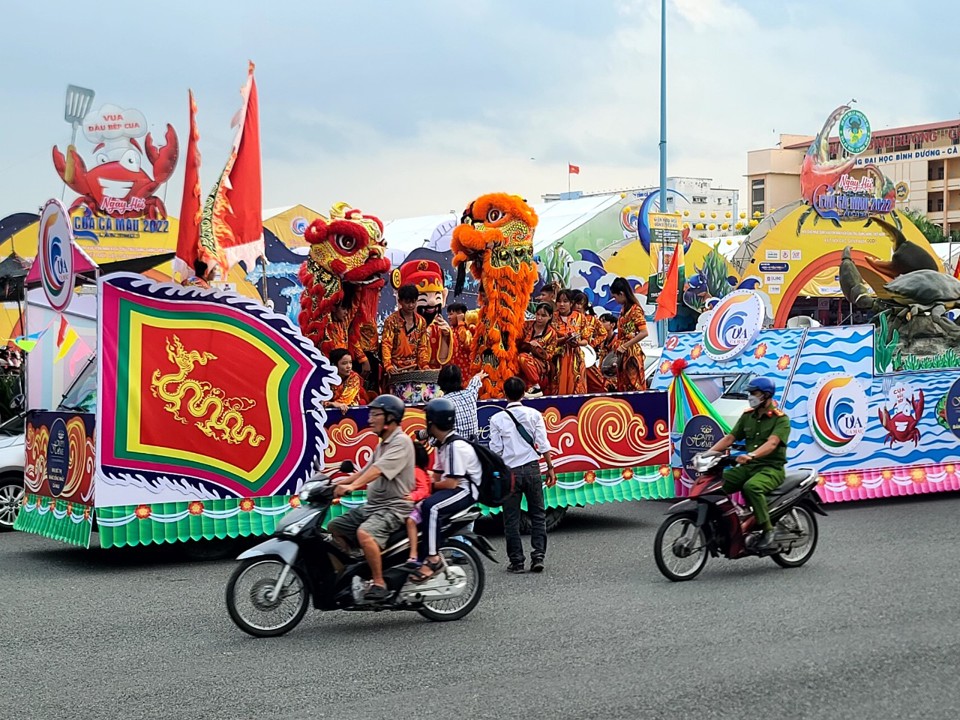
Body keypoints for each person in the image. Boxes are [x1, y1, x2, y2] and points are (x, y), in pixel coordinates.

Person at [328, 395, 415, 601]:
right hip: (374, 506)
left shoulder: (400, 442)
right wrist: (331, 484)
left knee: (365, 533)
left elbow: (376, 471)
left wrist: (352, 486)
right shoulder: (382, 444)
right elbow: (363, 471)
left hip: (394, 508)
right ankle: (353, 573)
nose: (370, 419)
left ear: (390, 418)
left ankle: (379, 582)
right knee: (335, 527)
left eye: (375, 414)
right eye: (371, 414)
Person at [705, 377, 790, 551]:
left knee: (751, 487)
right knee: (716, 485)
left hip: (771, 469)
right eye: (750, 393)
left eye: (754, 393)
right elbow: (729, 438)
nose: (750, 396)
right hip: (749, 467)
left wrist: (752, 454)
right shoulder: (747, 416)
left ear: (766, 395)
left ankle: (768, 531)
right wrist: (707, 454)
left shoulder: (781, 419)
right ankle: (732, 522)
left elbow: (772, 443)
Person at [489, 376, 556, 573]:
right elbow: (542, 443)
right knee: (538, 514)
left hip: (509, 473)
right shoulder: (534, 414)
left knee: (511, 518)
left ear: (504, 394)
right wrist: (550, 467)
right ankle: (538, 557)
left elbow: (496, 450)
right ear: (523, 393)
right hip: (532, 468)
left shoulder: (496, 419)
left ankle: (517, 561)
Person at [413, 397, 482, 581]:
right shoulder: (442, 445)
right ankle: (416, 558)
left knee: (431, 507)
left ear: (432, 423)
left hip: (466, 491)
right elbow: (435, 476)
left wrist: (429, 486)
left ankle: (433, 558)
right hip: (454, 489)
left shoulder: (454, 446)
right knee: (417, 507)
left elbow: (452, 483)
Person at [380, 284, 430, 379]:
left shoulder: (421, 321)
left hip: (414, 367)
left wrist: (424, 364)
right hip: (395, 368)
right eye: (407, 302)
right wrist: (388, 365)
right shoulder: (391, 321)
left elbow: (422, 346)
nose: (411, 305)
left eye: (413, 302)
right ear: (400, 301)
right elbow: (386, 344)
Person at [611, 276, 649, 392]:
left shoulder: (635, 310)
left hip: (631, 354)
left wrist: (625, 346)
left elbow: (644, 332)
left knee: (633, 384)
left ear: (621, 294)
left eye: (615, 296)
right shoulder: (624, 310)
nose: (615, 300)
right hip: (623, 353)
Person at [552, 288, 591, 395]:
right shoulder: (552, 317)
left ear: (571, 303)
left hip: (576, 357)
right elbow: (549, 340)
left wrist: (577, 343)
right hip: (558, 358)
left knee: (577, 387)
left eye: (565, 301)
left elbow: (586, 340)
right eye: (559, 301)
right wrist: (564, 339)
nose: (561, 304)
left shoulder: (580, 317)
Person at [518, 301, 560, 396]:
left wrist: (538, 348)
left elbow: (549, 356)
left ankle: (535, 386)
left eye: (543, 315)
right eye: (537, 314)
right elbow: (517, 340)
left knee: (522, 357)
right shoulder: (527, 325)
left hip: (540, 362)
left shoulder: (552, 333)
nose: (539, 318)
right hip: (523, 355)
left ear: (550, 316)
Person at [403, 441, 434, 570]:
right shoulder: (413, 470)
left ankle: (413, 554)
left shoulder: (416, 471)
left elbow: (423, 490)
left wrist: (411, 496)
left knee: (410, 521)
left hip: (421, 504)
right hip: (416, 503)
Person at [438, 365, 487, 440]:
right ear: (460, 380)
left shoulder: (442, 404)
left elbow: (434, 439)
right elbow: (474, 383)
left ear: (440, 381)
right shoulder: (470, 395)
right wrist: (478, 376)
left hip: (454, 449)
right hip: (473, 448)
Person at [446, 302, 474, 379]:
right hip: (451, 371)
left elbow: (466, 344)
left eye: (451, 314)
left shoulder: (470, 328)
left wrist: (461, 323)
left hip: (465, 372)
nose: (448, 317)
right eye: (448, 314)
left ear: (460, 314)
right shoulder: (449, 329)